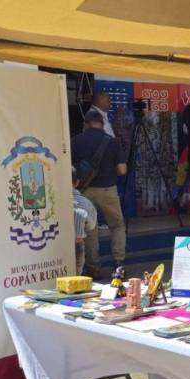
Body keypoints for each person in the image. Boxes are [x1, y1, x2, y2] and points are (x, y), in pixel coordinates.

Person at [71, 109, 127, 277]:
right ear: (102, 125)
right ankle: (118, 265)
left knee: (89, 229)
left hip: (85, 191)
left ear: (85, 124)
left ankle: (93, 267)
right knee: (117, 225)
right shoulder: (112, 142)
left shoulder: (76, 141)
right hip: (108, 189)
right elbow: (122, 170)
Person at [72, 167, 97, 276]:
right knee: (76, 279)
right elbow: (91, 226)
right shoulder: (86, 203)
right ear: (77, 182)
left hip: (55, 246)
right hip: (77, 244)